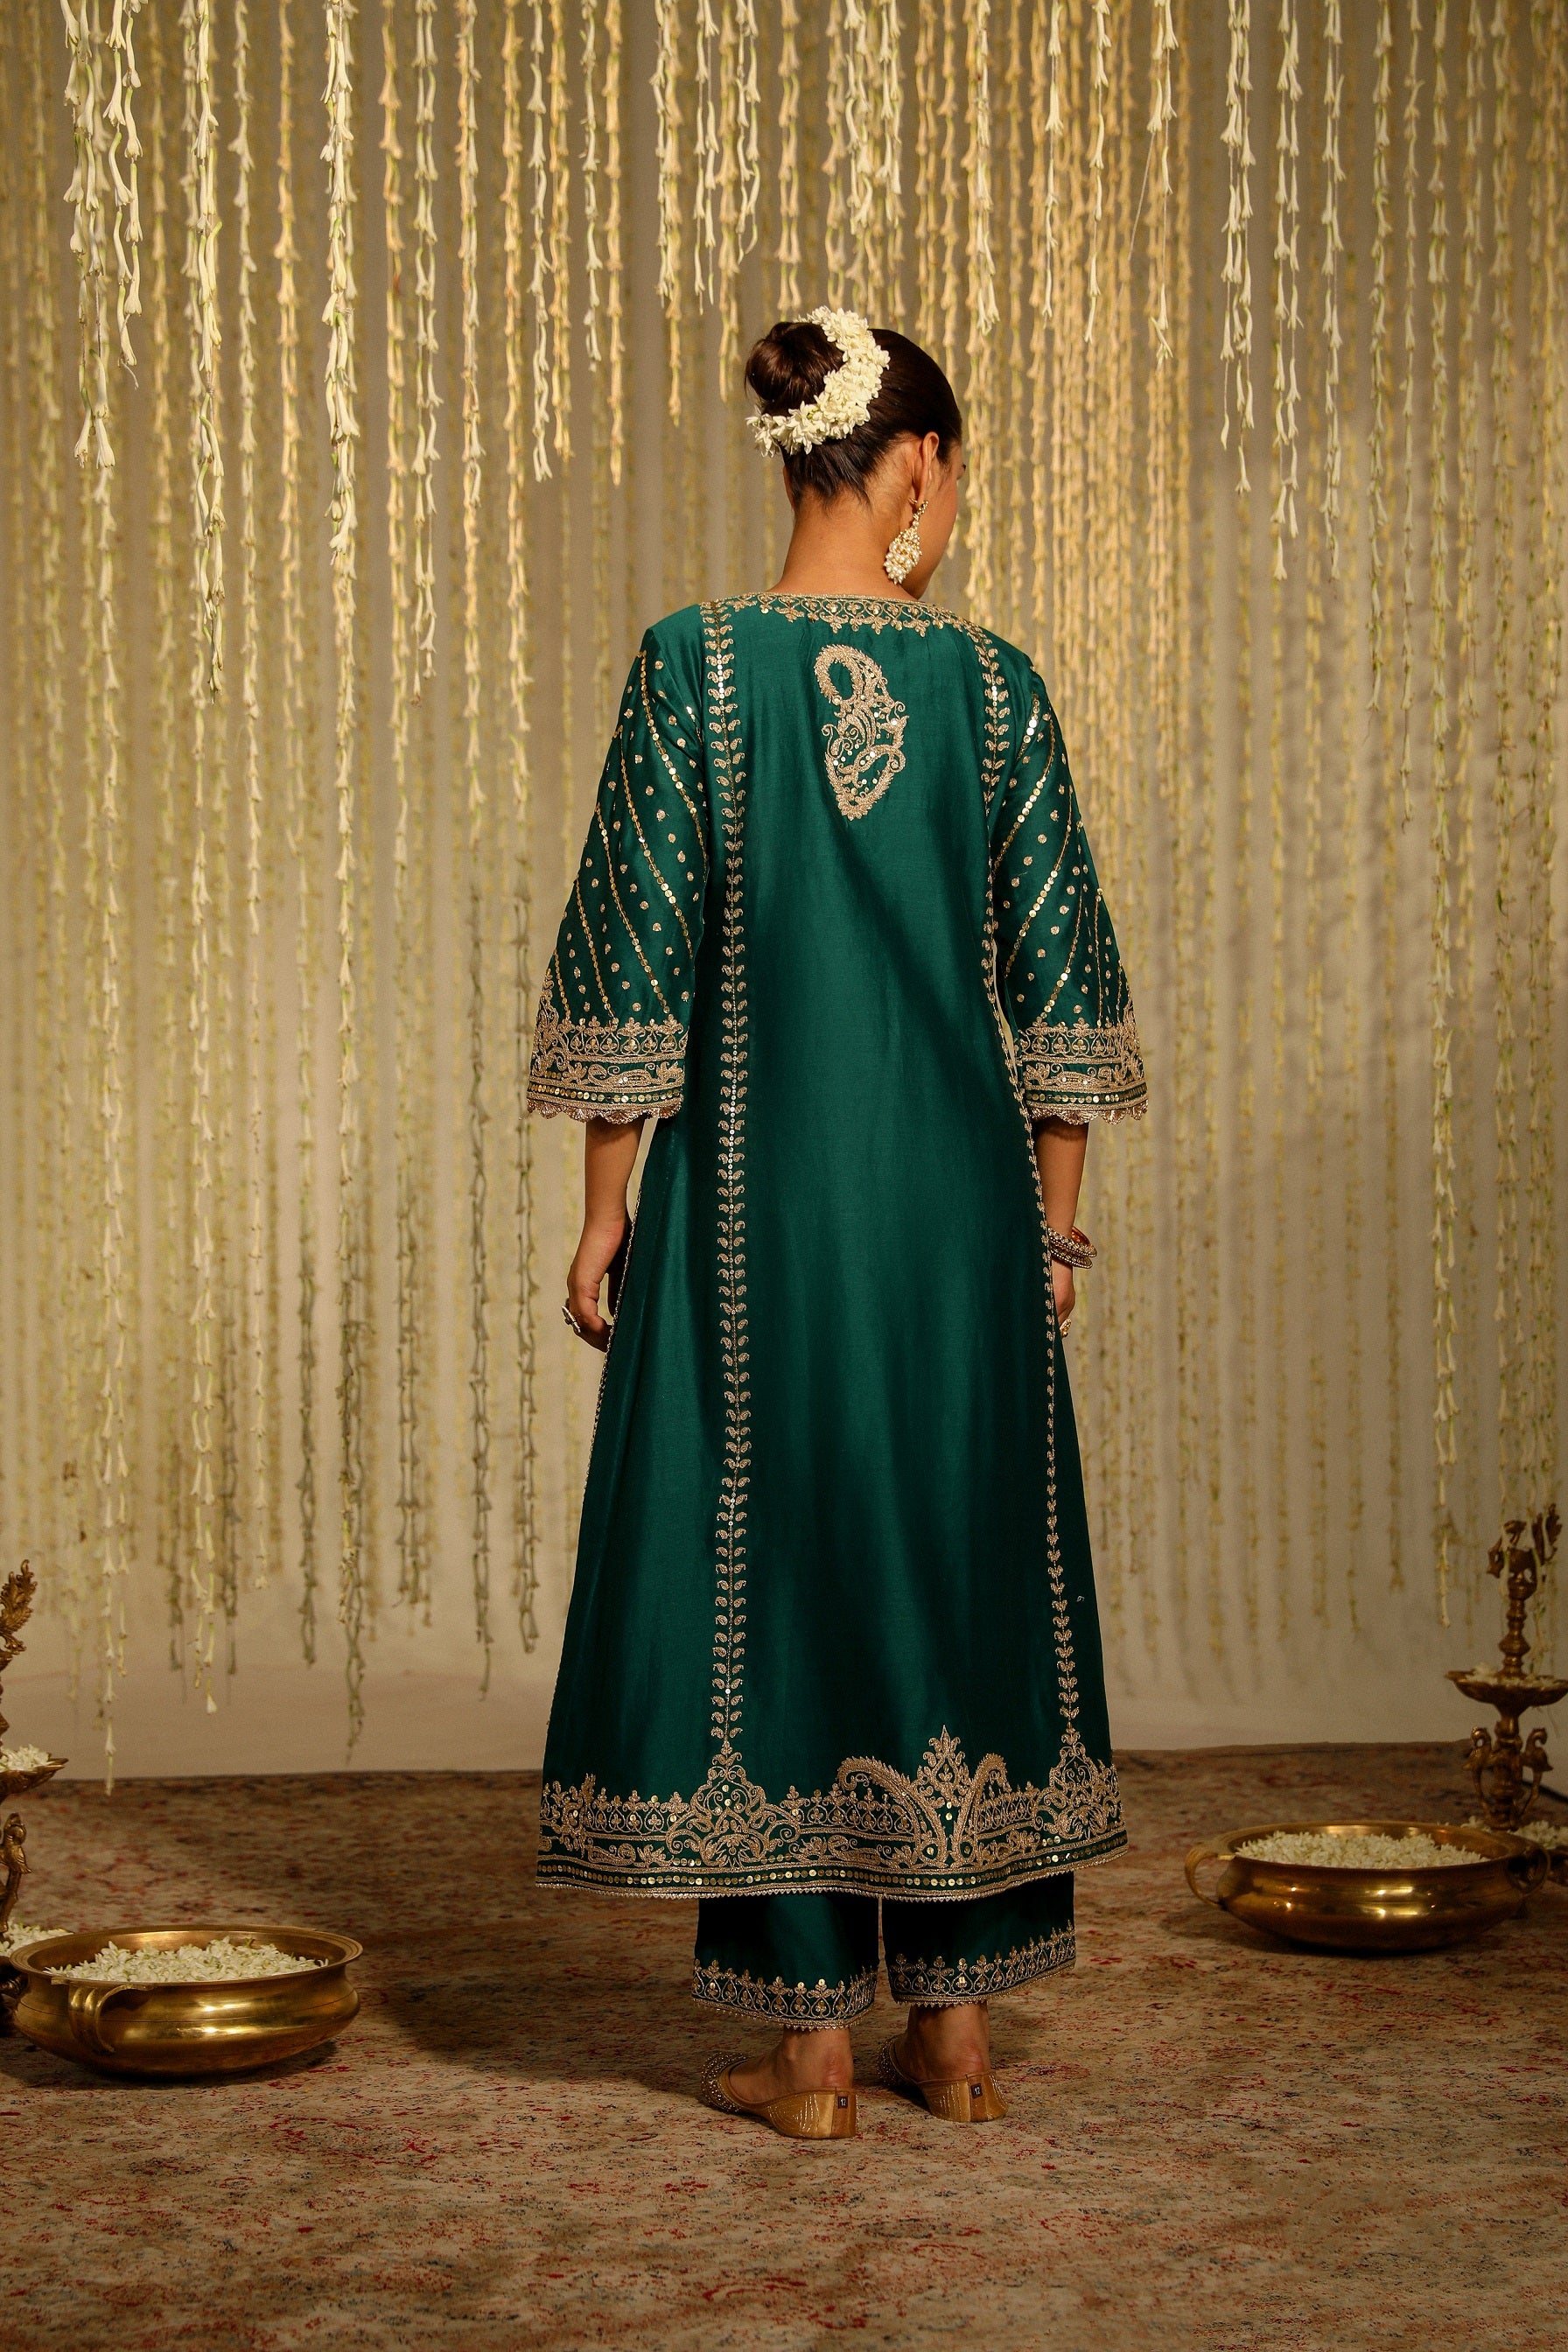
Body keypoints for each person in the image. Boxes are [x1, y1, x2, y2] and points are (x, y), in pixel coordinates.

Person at [528, 308, 1145, 2141]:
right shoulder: (995, 689)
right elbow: (1063, 990)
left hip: (758, 1208)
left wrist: (605, 1209)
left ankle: (804, 2052)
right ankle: (953, 2032)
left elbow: (632, 961)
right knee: (944, 1551)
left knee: (778, 1569)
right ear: (918, 465)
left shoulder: (692, 666)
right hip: (955, 1214)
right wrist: (1049, 1233)